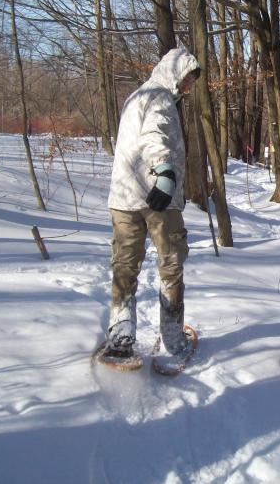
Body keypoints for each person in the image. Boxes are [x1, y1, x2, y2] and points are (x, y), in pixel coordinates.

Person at [104, 47, 200, 361]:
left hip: (124, 197)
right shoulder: (160, 99)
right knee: (171, 265)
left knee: (125, 264)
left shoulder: (136, 96)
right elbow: (153, 136)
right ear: (174, 73)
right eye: (187, 79)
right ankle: (173, 337)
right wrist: (166, 172)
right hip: (158, 198)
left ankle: (121, 335)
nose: (188, 87)